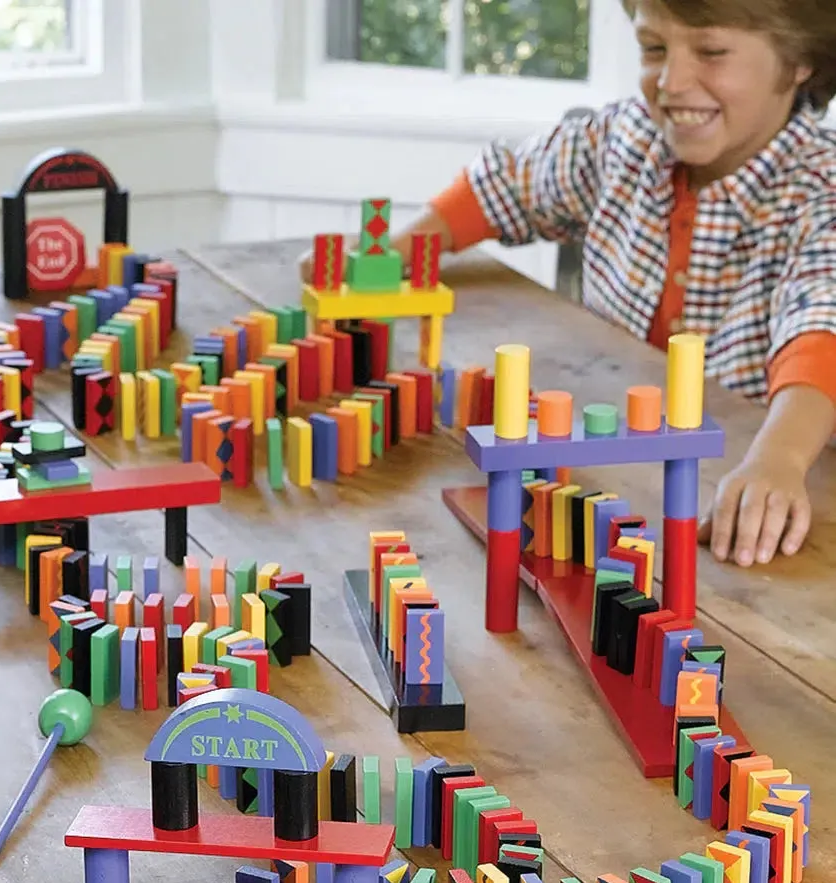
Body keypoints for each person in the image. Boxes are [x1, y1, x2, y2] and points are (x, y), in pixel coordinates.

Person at [300, 0, 836, 567]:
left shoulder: (820, 194)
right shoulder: (623, 140)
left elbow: (819, 327)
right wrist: (387, 256)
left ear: (798, 59)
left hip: (744, 501)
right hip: (604, 478)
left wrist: (777, 461)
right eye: (654, 49)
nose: (672, 82)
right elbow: (505, 186)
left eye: (711, 52)